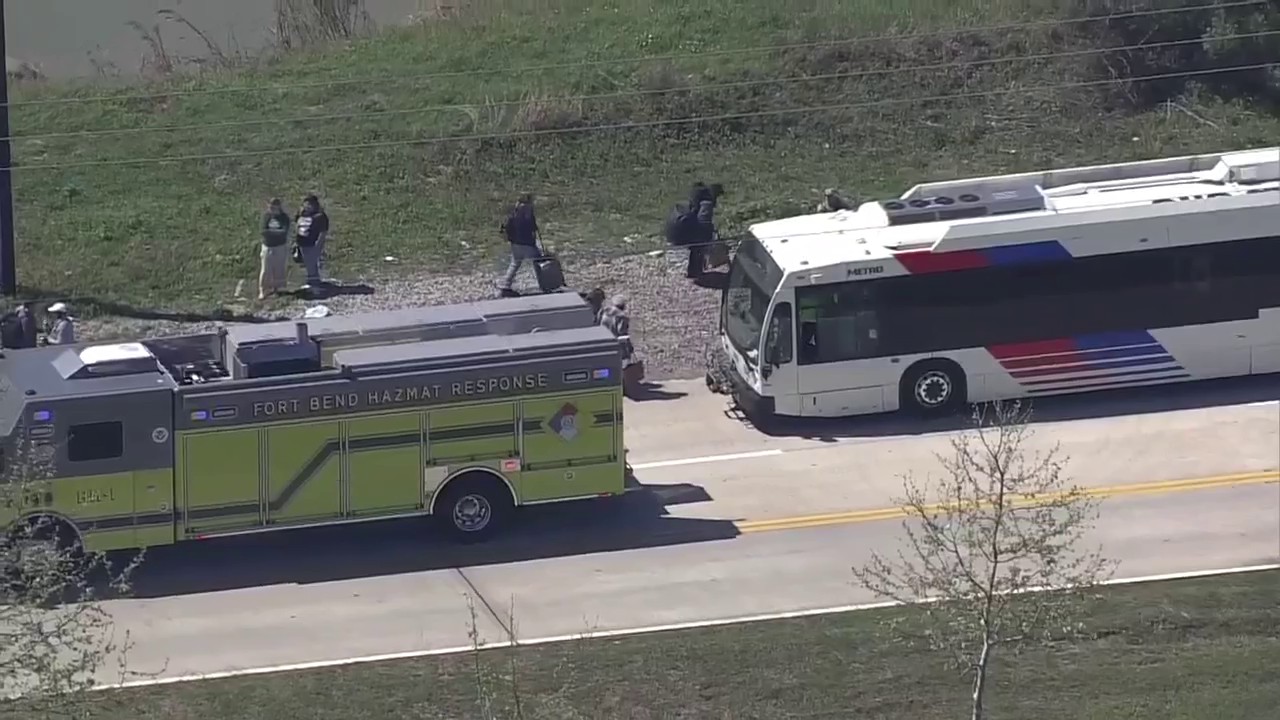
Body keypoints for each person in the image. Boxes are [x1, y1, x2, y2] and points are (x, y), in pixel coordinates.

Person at [498, 192, 541, 298]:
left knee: (515, 264)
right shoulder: (527, 212)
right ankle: (546, 283)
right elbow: (533, 228)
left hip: (515, 243)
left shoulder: (514, 212)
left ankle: (505, 285)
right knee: (539, 261)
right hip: (527, 243)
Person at [294, 193, 330, 289]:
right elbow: (297, 225)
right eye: (305, 204)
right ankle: (311, 280)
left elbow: (323, 232)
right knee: (307, 263)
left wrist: (318, 245)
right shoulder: (301, 213)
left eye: (309, 204)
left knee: (312, 263)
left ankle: (314, 283)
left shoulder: (320, 216)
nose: (307, 206)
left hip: (312, 243)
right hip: (302, 243)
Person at [258, 198, 291, 300]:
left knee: (279, 268)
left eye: (274, 206)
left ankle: (276, 289)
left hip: (280, 246)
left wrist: (272, 233)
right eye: (270, 206)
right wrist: (277, 233)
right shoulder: (266, 216)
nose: (271, 208)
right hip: (268, 246)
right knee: (265, 269)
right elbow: (263, 231)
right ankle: (262, 290)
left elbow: (285, 231)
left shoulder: (284, 217)